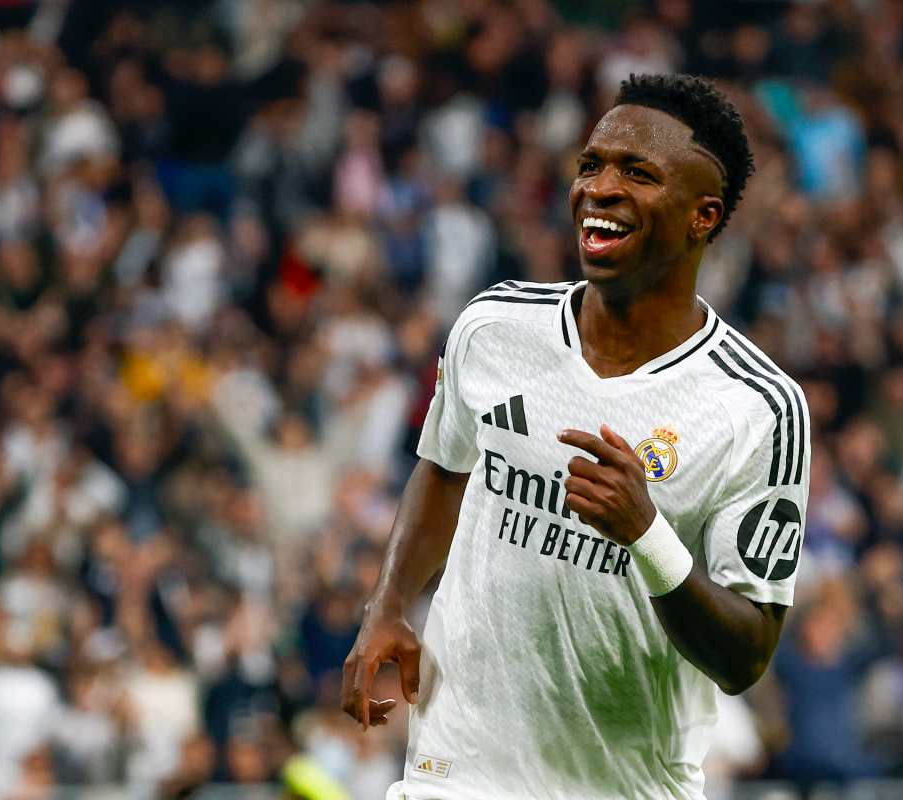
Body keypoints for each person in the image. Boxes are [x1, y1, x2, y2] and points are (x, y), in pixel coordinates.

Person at [340, 73, 811, 800]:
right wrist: (390, 601)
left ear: (703, 216)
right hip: (457, 770)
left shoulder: (758, 408)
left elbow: (745, 656)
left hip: (623, 786)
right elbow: (444, 469)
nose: (600, 187)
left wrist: (647, 533)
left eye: (638, 173)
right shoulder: (494, 328)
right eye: (591, 164)